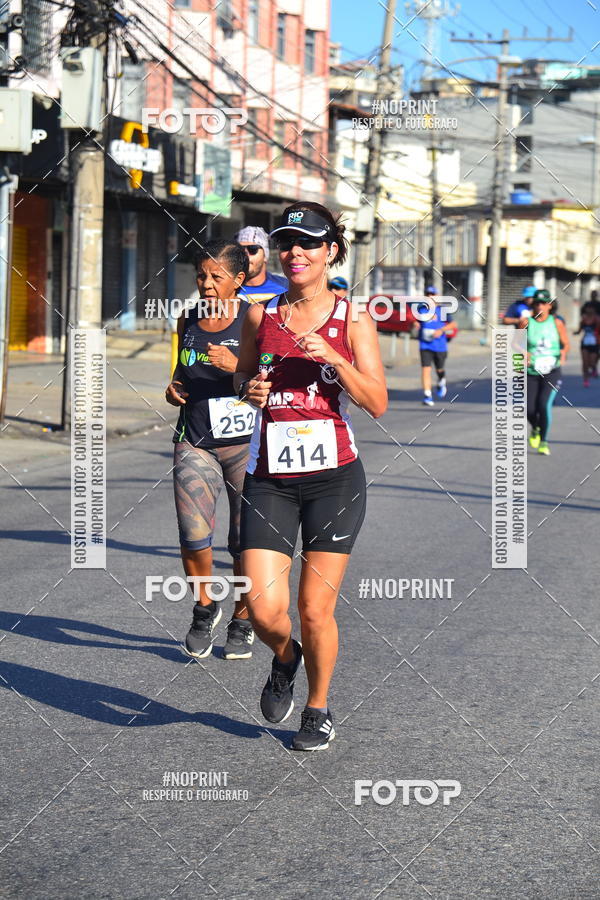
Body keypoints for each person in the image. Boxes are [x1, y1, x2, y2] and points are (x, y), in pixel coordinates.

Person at [233, 201, 388, 751]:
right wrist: (247, 389)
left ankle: (318, 707)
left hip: (334, 481)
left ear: (331, 252)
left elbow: (377, 403)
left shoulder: (354, 318)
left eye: (308, 243)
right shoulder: (260, 314)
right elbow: (245, 376)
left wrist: (336, 359)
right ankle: (284, 656)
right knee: (262, 608)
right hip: (270, 477)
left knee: (313, 608)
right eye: (287, 243)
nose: (295, 252)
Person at [166, 240, 256, 660]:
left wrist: (234, 368)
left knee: (244, 541)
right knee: (193, 533)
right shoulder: (187, 318)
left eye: (216, 277)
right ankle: (205, 607)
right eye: (201, 275)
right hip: (196, 437)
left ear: (238, 280)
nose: (206, 284)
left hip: (248, 444)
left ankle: (242, 619)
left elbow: (272, 380)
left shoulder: (256, 320)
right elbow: (179, 374)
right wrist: (172, 388)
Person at [519, 288, 569, 456]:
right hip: (531, 371)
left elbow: (565, 344)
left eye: (543, 303)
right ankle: (536, 428)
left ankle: (544, 441)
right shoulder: (526, 322)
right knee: (529, 409)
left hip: (552, 370)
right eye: (537, 303)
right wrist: (523, 352)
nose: (540, 306)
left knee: (543, 404)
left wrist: (562, 354)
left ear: (550, 305)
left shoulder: (557, 323)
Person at [418, 285, 454, 407]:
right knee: (425, 369)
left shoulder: (442, 310)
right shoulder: (421, 309)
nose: (429, 296)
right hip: (425, 345)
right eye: (427, 294)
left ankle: (441, 381)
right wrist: (414, 325)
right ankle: (427, 395)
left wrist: (441, 330)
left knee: (439, 369)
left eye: (432, 294)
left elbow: (453, 324)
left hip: (440, 346)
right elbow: (415, 322)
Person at [234, 225, 288, 303]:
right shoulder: (226, 287)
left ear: (265, 256)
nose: (245, 255)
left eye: (252, 249)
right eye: (240, 250)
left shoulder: (286, 287)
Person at [574, 302, 599, 386]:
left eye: (590, 308)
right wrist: (576, 333)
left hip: (594, 343)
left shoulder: (597, 319)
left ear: (594, 310)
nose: (588, 310)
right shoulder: (584, 319)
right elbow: (579, 330)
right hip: (585, 343)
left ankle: (594, 368)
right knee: (585, 363)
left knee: (592, 363)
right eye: (587, 309)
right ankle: (586, 380)